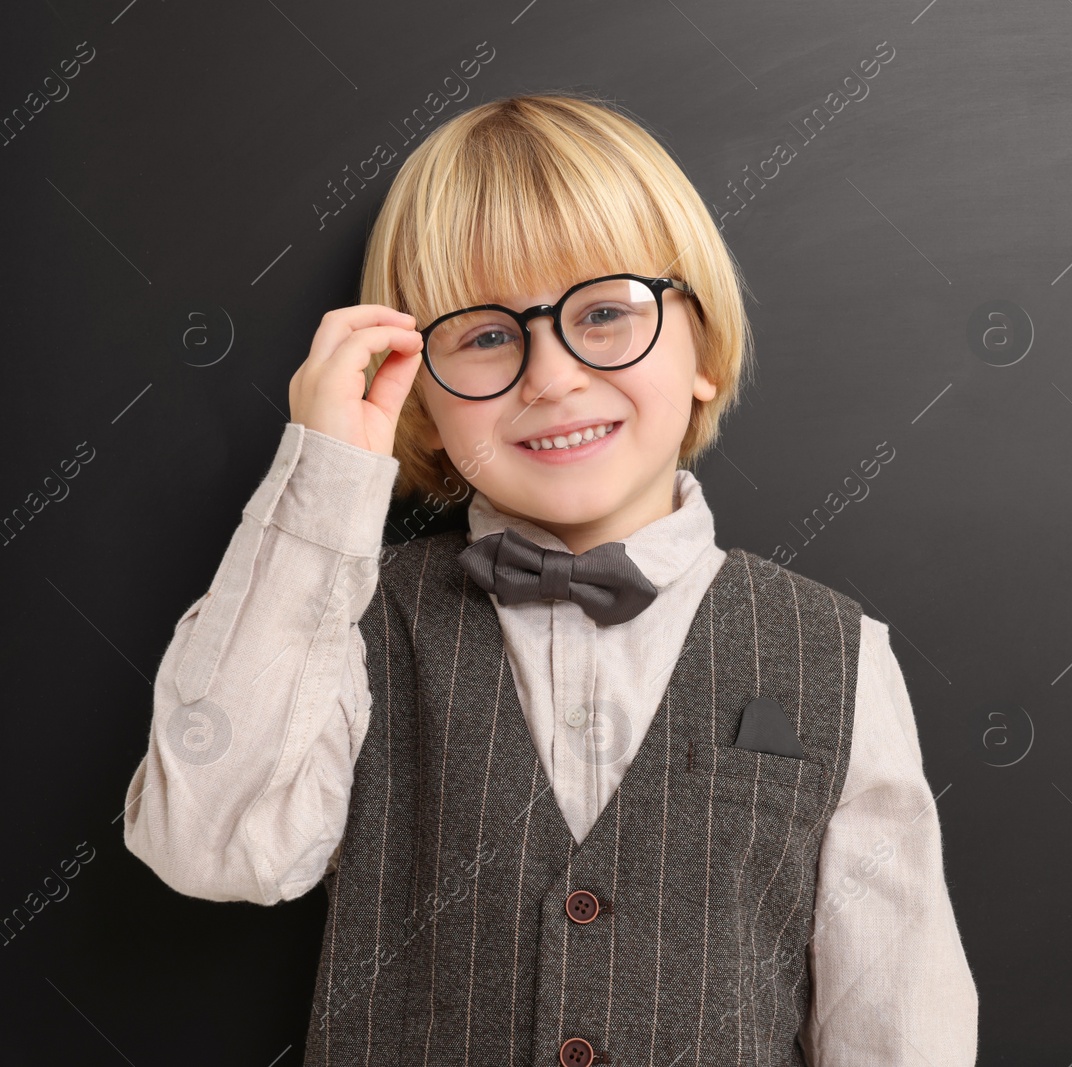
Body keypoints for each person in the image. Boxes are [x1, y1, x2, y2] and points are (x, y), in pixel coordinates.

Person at [122, 91, 977, 1066]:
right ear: (419, 392)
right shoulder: (345, 621)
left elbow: (899, 1018)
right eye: (485, 335)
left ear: (699, 341)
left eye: (604, 312)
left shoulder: (838, 653)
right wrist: (323, 483)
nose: (552, 373)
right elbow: (210, 845)